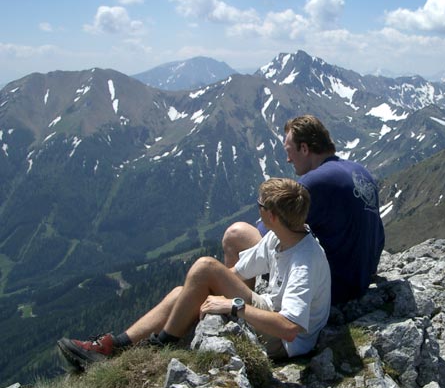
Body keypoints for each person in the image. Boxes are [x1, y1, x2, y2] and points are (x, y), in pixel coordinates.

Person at [57, 178, 331, 369]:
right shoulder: (280, 238)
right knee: (187, 288)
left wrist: (232, 306)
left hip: (284, 343)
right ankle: (114, 347)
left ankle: (158, 348)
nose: (257, 210)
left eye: (260, 205)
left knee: (204, 267)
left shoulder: (304, 261)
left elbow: (290, 329)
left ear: (270, 216)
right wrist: (196, 293)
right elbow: (235, 272)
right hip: (270, 310)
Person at [224, 115, 385, 305]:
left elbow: (271, 231)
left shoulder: (314, 182)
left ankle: (237, 308)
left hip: (331, 289)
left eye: (289, 151)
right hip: (362, 279)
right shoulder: (360, 171)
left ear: (304, 148)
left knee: (235, 235)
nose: (288, 159)